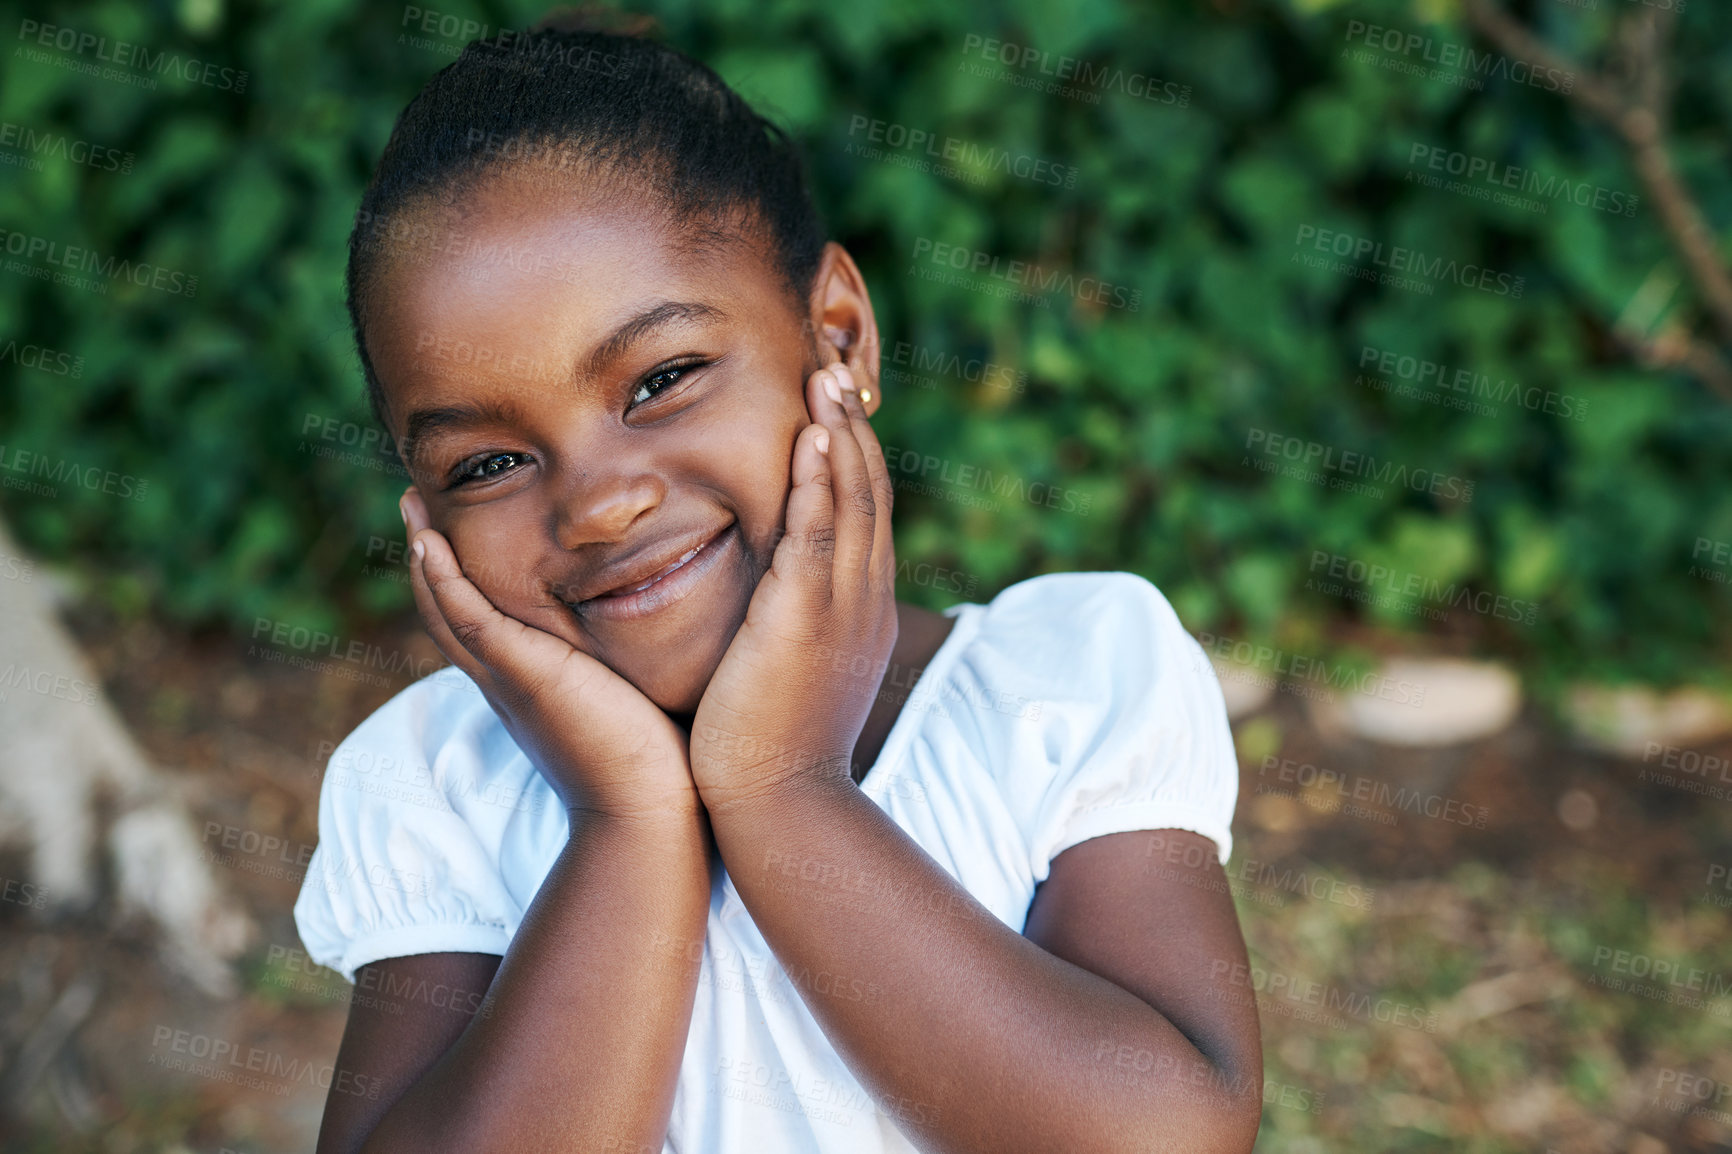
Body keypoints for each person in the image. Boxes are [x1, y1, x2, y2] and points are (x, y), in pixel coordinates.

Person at [293, 16, 1262, 1154]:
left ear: (839, 336)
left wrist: (782, 784)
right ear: (426, 515)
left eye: (661, 378)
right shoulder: (436, 783)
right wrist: (625, 819)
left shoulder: (1061, 684)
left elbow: (1164, 1134)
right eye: (488, 463)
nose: (598, 504)